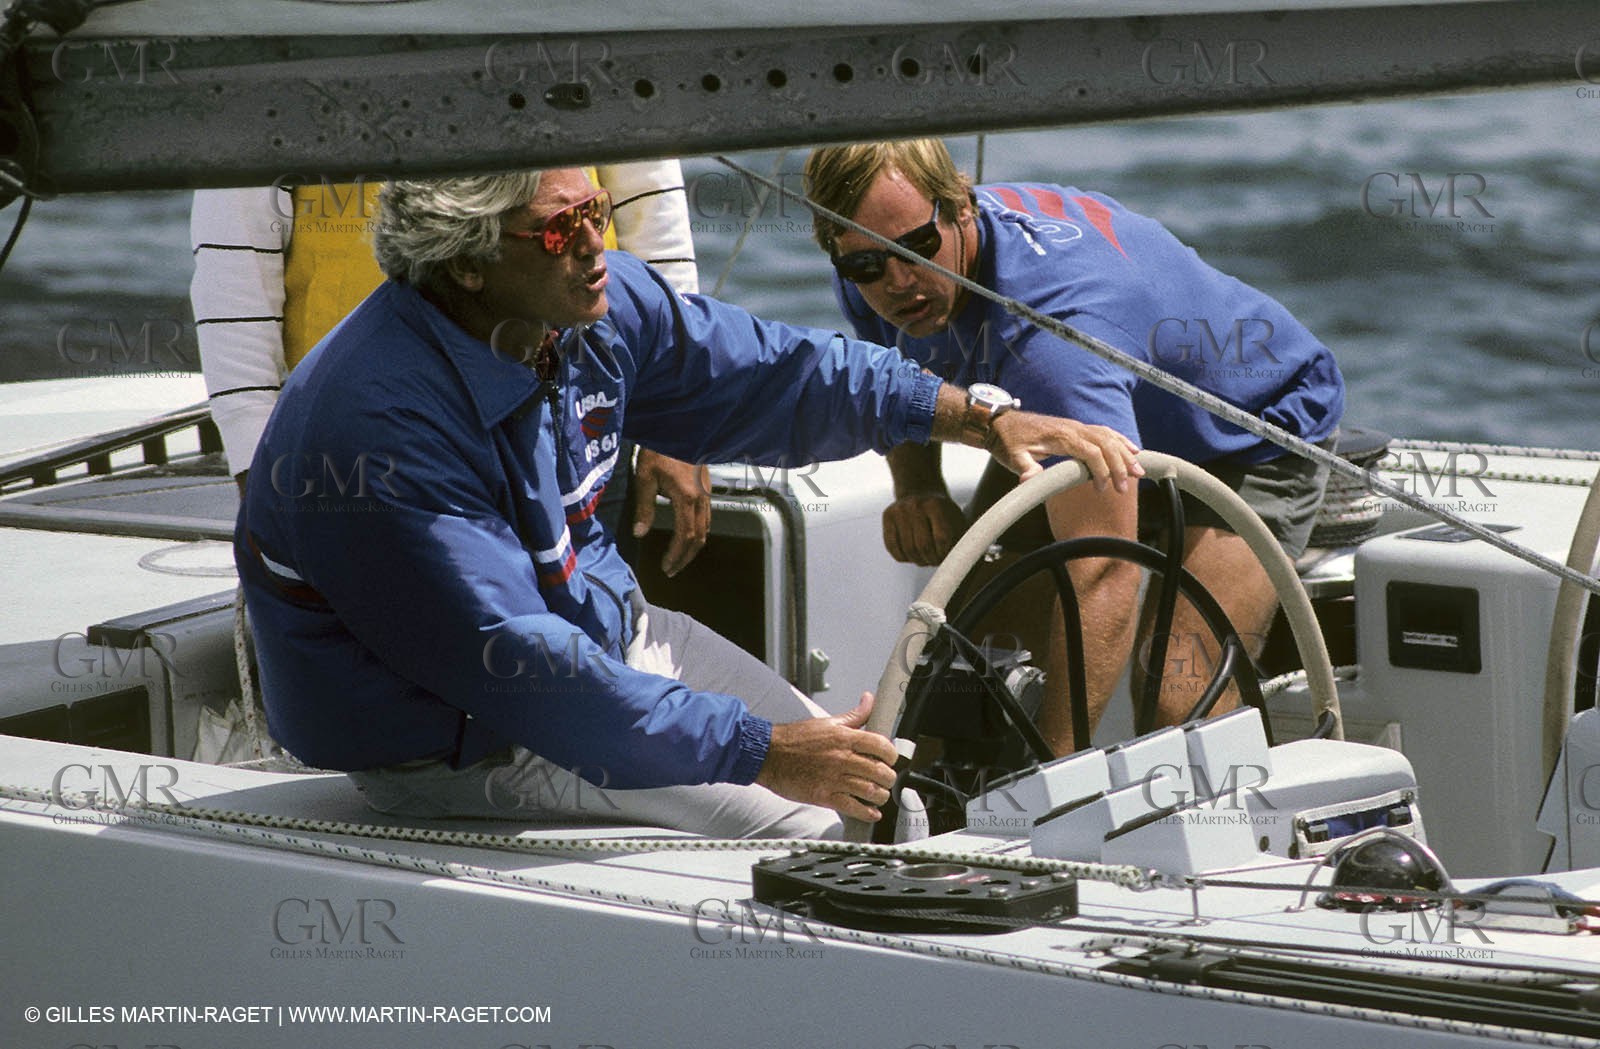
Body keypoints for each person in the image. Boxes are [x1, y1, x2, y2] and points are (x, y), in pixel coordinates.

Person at [233, 167, 1142, 838]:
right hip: (470, 739)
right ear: (467, 265)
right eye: (561, 230)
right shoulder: (377, 432)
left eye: (594, 211)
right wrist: (765, 750)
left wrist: (977, 417)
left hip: (613, 645)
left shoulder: (592, 307)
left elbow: (781, 376)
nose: (597, 244)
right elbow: (530, 672)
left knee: (883, 803)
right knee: (822, 834)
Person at [804, 138, 1345, 752]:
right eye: (865, 266)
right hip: (1061, 422)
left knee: (1176, 699)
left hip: (1248, 433)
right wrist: (917, 483)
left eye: (916, 248)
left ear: (959, 205)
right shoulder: (876, 265)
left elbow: (1102, 571)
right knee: (975, 662)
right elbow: (895, 368)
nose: (897, 284)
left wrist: (1055, 784)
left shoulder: (1052, 346)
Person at [191, 161, 711, 576]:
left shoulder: (579, 30)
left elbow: (649, 190)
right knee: (413, 650)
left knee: (594, 628)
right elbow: (233, 276)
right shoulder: (275, 49)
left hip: (585, 404)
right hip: (370, 435)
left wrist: (677, 413)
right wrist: (258, 472)